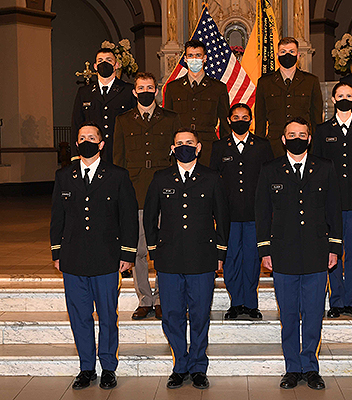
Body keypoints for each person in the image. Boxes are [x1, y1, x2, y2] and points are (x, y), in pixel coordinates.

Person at [255, 117, 342, 390]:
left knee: (314, 312)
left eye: (302, 134)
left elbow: (334, 210)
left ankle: (311, 367)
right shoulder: (270, 170)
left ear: (309, 138)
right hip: (283, 252)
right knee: (289, 314)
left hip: (317, 251)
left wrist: (334, 247)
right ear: (282, 139)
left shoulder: (325, 168)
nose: (297, 138)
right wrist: (264, 249)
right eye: (291, 134)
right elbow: (261, 212)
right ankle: (292, 367)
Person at [50, 122, 139, 390]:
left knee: (107, 315)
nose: (86, 141)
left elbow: (128, 218)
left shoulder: (117, 175)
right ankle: (86, 367)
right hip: (74, 257)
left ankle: (108, 367)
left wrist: (128, 253)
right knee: (79, 315)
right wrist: (57, 251)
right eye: (82, 138)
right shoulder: (64, 176)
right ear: (77, 144)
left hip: (106, 257)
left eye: (92, 137)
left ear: (101, 144)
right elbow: (57, 216)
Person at [143, 128, 230, 390]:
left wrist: (220, 253)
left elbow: (223, 218)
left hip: (202, 257)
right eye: (179, 143)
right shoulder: (160, 178)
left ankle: (198, 366)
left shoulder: (212, 178)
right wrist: (154, 251)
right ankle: (180, 365)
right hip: (169, 258)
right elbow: (149, 217)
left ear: (199, 147)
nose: (184, 146)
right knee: (172, 314)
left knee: (201, 314)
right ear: (172, 148)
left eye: (189, 143)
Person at [113, 72, 182, 320]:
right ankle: (145, 299)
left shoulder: (171, 119)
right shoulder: (123, 120)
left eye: (149, 87)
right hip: (136, 191)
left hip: (165, 193)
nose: (145, 91)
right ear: (134, 91)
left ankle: (163, 298)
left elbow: (178, 157)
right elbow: (118, 160)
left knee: (164, 249)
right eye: (140, 87)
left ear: (156, 90)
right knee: (139, 250)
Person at [313, 82, 352, 319]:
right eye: (340, 95)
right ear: (333, 100)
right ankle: (336, 301)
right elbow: (316, 167)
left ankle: (351, 301)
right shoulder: (322, 131)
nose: (345, 98)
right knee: (334, 252)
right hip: (331, 203)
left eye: (349, 95)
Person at [210, 103, 274, 320]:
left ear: (251, 120)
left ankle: (251, 303)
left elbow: (269, 180)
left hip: (255, 214)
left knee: (252, 259)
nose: (240, 120)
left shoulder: (262, 146)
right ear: (228, 120)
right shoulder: (219, 147)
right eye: (235, 117)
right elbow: (212, 181)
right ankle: (236, 303)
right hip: (228, 215)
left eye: (244, 117)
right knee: (231, 259)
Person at [163, 40, 231, 166]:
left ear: (205, 58)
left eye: (198, 55)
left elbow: (225, 124)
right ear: (185, 59)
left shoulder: (218, 88)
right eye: (190, 55)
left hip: (208, 147)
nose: (194, 59)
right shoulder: (173, 87)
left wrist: (225, 150)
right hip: (181, 146)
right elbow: (168, 122)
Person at [255, 37, 323, 157]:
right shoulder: (265, 83)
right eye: (283, 52)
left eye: (291, 52)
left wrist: (316, 145)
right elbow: (260, 119)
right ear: (277, 55)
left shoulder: (311, 81)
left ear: (298, 55)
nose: (287, 55)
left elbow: (316, 118)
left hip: (303, 144)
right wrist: (259, 146)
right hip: (274, 146)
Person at [71, 48, 137, 162]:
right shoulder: (84, 92)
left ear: (116, 65)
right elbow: (76, 124)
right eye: (100, 61)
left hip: (120, 153)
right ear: (95, 66)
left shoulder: (128, 90)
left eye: (108, 60)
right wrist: (76, 156)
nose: (104, 63)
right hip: (92, 153)